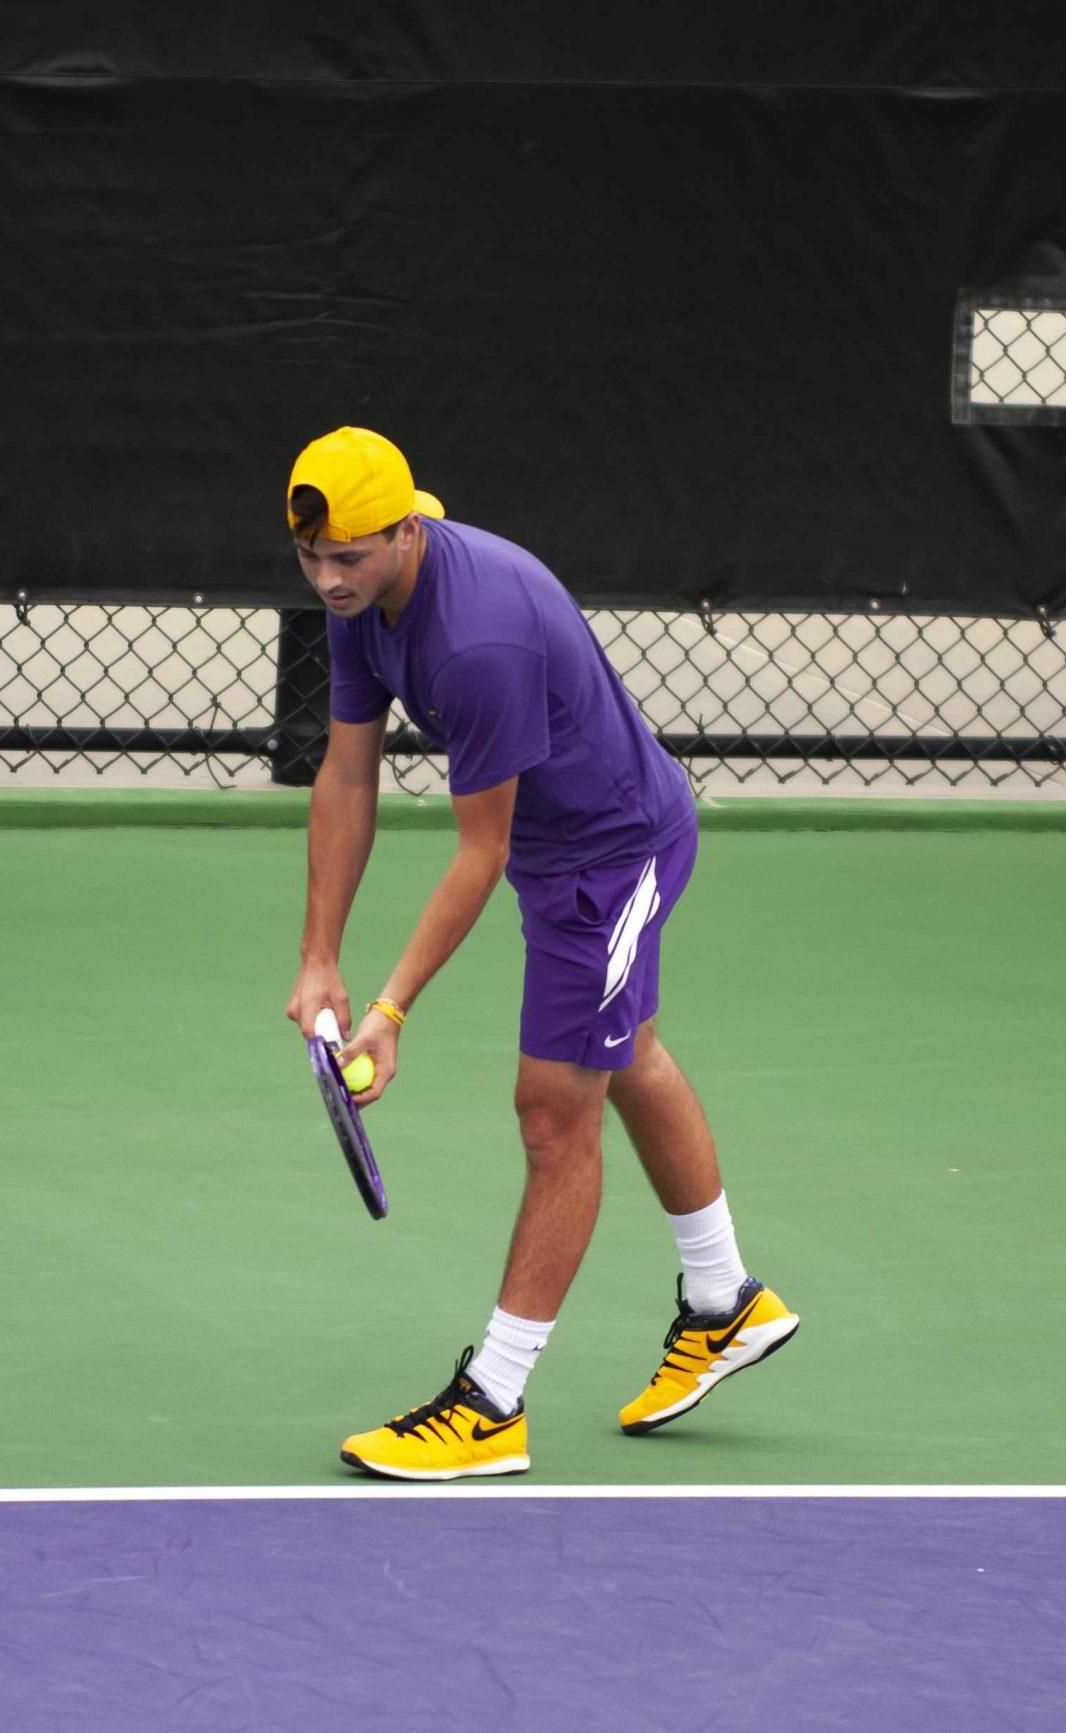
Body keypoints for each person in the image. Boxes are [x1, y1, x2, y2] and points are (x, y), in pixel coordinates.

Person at [280, 426, 800, 1481]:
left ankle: (493, 1403)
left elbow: (481, 851)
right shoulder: (358, 599)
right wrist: (318, 957)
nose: (328, 579)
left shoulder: (477, 639)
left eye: (349, 556)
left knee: (552, 1109)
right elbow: (345, 774)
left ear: (405, 527)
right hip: (565, 854)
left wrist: (389, 1007)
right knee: (626, 1053)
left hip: (610, 856)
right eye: (311, 559)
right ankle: (724, 1300)